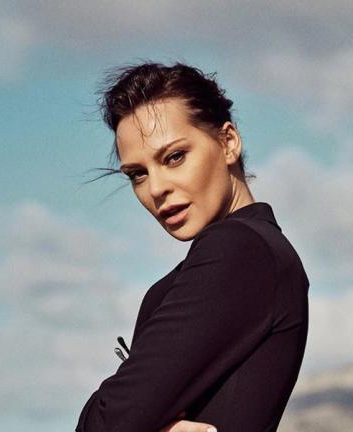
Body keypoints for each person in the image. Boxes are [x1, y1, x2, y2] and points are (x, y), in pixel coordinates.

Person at [75, 61, 310, 432]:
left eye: (174, 157)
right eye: (138, 174)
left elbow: (110, 421)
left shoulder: (240, 249)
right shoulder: (256, 251)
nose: (156, 189)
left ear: (228, 142)